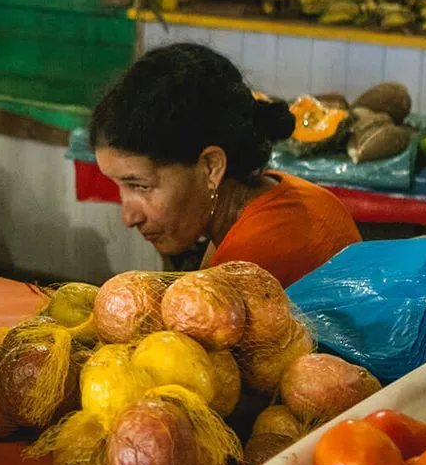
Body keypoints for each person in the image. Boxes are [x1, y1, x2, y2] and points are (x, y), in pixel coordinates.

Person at [90, 42, 360, 286]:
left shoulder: (250, 263)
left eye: (141, 186)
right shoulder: (296, 194)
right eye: (120, 186)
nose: (129, 217)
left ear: (211, 167)